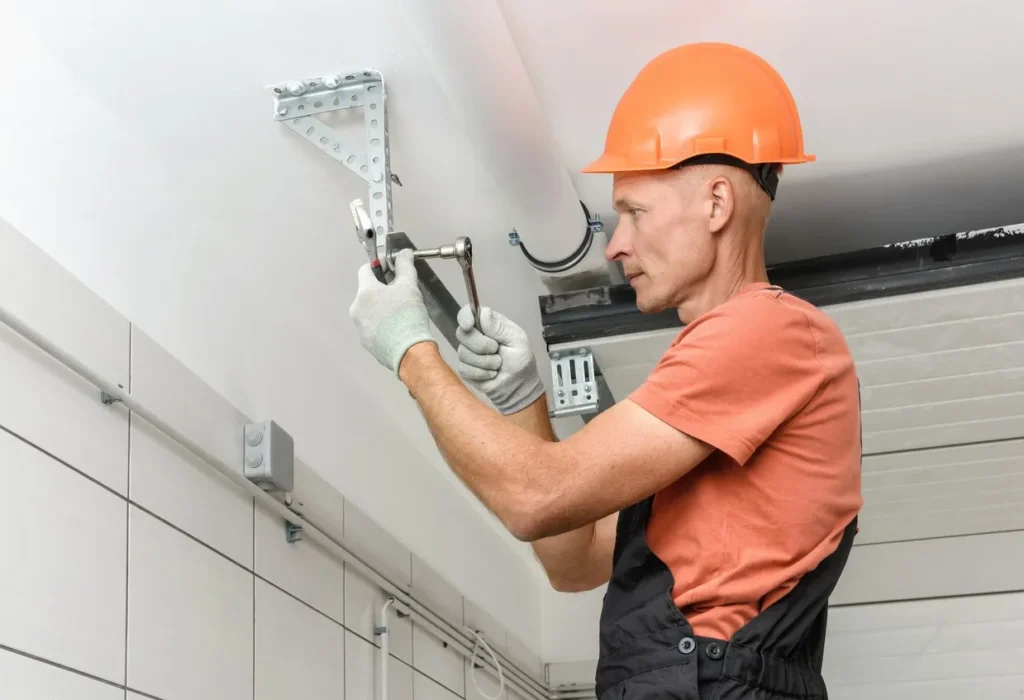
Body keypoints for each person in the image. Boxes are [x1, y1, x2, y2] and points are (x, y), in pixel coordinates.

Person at [349, 42, 863, 700]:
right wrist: (524, 398)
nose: (617, 242)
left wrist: (409, 348)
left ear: (715, 204)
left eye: (634, 211)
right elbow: (575, 558)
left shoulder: (769, 333)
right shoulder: (723, 375)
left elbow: (535, 499)